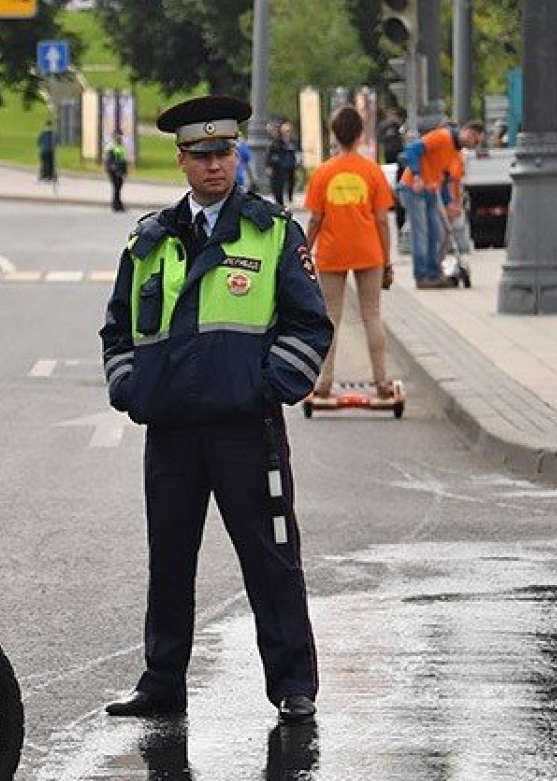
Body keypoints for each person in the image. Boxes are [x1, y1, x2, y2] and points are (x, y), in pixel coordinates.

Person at [98, 95, 332, 725]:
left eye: (224, 153)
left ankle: (293, 684)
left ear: (236, 155)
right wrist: (131, 388)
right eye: (202, 155)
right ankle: (161, 683)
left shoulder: (271, 231)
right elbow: (118, 327)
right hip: (172, 430)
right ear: (182, 160)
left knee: (271, 557)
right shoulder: (149, 240)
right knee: (169, 560)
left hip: (245, 429)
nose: (215, 166)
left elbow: (310, 324)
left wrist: (268, 386)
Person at [303, 106, 397, 400]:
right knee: (372, 315)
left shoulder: (323, 173)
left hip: (332, 253)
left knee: (331, 317)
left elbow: (315, 219)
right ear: (360, 134)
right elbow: (382, 221)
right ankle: (381, 382)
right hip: (369, 251)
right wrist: (387, 261)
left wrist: (303, 251)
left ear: (334, 134)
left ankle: (324, 381)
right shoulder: (372, 171)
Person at [397, 120, 483, 289]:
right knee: (421, 233)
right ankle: (422, 276)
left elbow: (443, 178)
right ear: (469, 133)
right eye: (476, 141)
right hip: (413, 188)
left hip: (431, 191)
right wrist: (417, 176)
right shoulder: (442, 137)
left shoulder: (455, 153)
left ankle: (434, 274)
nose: (475, 146)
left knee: (437, 233)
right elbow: (412, 150)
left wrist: (449, 202)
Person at [267, 121, 301, 206]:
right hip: (280, 165)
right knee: (279, 183)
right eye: (285, 131)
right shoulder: (277, 141)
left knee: (291, 182)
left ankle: (290, 197)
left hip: (291, 164)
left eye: (289, 131)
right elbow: (270, 154)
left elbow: (298, 151)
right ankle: (280, 201)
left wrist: (299, 161)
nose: (287, 133)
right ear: (282, 131)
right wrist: (269, 166)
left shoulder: (294, 141)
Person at [105, 136, 130, 212]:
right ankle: (116, 205)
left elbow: (123, 161)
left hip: (119, 171)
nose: (120, 140)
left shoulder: (121, 147)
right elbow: (111, 162)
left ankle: (118, 205)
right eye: (118, 139)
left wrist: (125, 172)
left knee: (118, 189)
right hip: (114, 172)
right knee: (116, 189)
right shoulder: (111, 148)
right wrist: (117, 171)